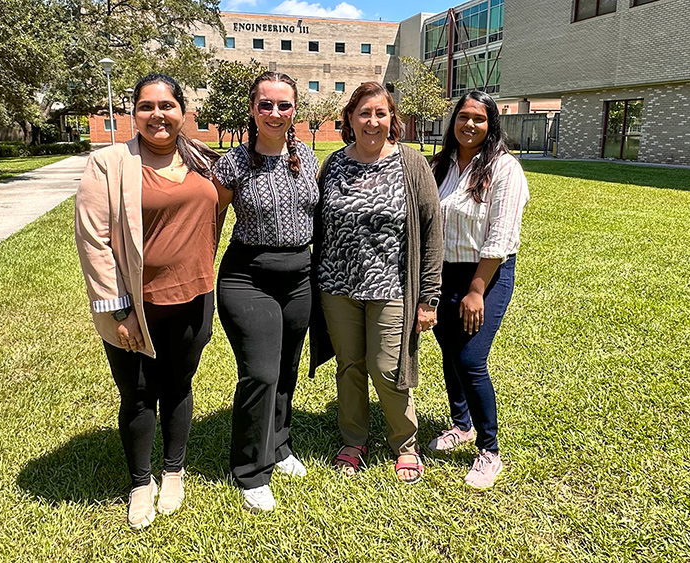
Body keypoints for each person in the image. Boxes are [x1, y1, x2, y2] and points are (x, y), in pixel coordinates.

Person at [75, 73, 226, 529]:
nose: (157, 115)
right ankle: (141, 481)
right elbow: (93, 240)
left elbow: (217, 212)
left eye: (167, 105)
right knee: (139, 394)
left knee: (179, 386)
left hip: (195, 296)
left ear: (183, 110)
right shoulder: (109, 163)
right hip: (134, 304)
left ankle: (174, 470)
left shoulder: (204, 159)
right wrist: (117, 308)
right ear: (132, 113)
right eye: (146, 106)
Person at [309, 82, 443, 485]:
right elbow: (316, 221)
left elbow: (431, 229)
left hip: (392, 287)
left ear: (392, 120)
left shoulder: (411, 163)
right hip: (337, 286)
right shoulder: (332, 164)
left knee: (387, 368)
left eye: (380, 113)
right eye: (364, 113)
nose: (372, 121)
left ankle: (405, 443)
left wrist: (429, 298)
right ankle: (354, 440)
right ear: (350, 119)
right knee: (350, 366)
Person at [210, 71, 318, 512]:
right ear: (252, 109)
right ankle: (250, 470)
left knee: (287, 368)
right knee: (262, 372)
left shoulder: (307, 157)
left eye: (284, 105)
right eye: (266, 104)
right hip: (247, 278)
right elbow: (210, 225)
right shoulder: (233, 163)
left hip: (299, 279)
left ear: (295, 110)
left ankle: (279, 445)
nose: (275, 113)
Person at [426, 90, 529, 489]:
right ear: (454, 121)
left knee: (470, 358)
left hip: (485, 276)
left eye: (479, 119)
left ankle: (489, 450)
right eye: (463, 117)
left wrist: (475, 290)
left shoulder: (504, 169)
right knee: (450, 352)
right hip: (442, 274)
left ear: (491, 124)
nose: (469, 125)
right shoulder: (441, 166)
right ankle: (461, 424)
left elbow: (501, 236)